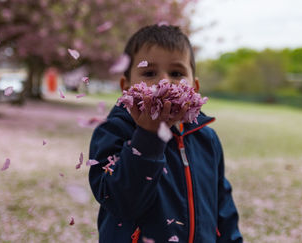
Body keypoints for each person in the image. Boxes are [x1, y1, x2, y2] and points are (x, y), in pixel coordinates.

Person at [88, 24, 243, 243]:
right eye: (149, 73)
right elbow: (119, 202)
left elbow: (223, 208)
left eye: (177, 73)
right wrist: (148, 137)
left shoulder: (207, 139)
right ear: (126, 86)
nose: (164, 82)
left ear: (195, 87)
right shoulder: (113, 132)